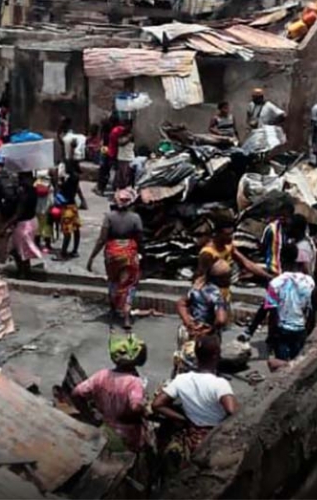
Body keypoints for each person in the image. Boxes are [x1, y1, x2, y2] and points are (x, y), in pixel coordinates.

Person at [153, 335, 237, 469]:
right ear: (216, 356)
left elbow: (157, 405)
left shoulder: (181, 379)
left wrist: (182, 419)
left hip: (193, 435)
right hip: (214, 436)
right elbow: (232, 411)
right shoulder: (220, 384)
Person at [72, 334, 149, 453]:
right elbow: (136, 407)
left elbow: (77, 393)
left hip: (105, 429)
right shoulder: (134, 383)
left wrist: (88, 415)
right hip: (129, 436)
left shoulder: (101, 375)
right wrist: (145, 410)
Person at [87, 188, 143, 328]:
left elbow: (101, 240)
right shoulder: (135, 218)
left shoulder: (109, 217)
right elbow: (140, 239)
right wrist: (142, 255)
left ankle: (113, 308)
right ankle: (126, 316)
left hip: (112, 254)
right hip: (129, 254)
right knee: (129, 284)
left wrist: (92, 257)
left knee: (113, 280)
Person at [265, 243, 315, 361]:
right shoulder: (310, 282)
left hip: (281, 330)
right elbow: (311, 311)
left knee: (281, 368)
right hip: (300, 329)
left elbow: (272, 314)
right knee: (297, 366)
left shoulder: (275, 283)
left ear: (281, 259)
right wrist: (308, 332)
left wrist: (271, 336)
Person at [8, 172, 42, 277]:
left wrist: (6, 226)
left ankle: (22, 272)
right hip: (32, 222)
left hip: (24, 225)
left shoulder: (25, 194)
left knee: (19, 251)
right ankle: (26, 271)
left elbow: (19, 213)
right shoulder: (33, 191)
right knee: (24, 250)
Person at [55, 160, 87, 260]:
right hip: (73, 206)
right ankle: (75, 250)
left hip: (66, 207)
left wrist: (59, 181)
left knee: (67, 232)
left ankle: (63, 253)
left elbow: (60, 188)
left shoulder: (68, 179)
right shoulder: (75, 178)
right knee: (76, 229)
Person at [261, 202, 295, 276]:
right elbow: (263, 246)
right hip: (271, 268)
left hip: (283, 271)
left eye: (286, 216)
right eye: (281, 215)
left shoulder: (290, 230)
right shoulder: (271, 229)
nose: (283, 218)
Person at [34, 169, 54, 254]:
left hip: (36, 209)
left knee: (38, 227)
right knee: (47, 228)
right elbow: (52, 200)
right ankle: (47, 245)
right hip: (46, 209)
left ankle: (36, 244)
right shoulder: (49, 186)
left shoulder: (35, 184)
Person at [115, 120, 135, 190]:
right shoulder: (122, 134)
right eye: (124, 125)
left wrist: (119, 137)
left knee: (126, 177)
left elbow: (121, 142)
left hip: (128, 158)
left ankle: (126, 192)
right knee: (120, 178)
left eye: (127, 125)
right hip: (121, 157)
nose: (125, 127)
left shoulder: (130, 135)